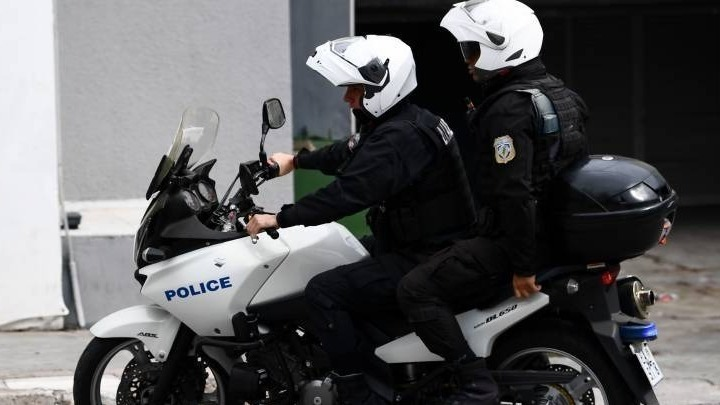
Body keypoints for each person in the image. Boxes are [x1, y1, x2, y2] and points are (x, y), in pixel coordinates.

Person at [246, 35, 477, 405]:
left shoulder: (400, 138)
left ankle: (357, 393)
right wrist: (295, 161)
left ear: (379, 88)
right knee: (335, 257)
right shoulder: (403, 122)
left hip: (426, 256)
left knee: (323, 292)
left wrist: (280, 218)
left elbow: (347, 194)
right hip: (418, 244)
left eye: (354, 89)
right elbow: (349, 151)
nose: (347, 98)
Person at [396, 0, 590, 403]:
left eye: (473, 50)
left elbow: (514, 193)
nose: (467, 61)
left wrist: (523, 265)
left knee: (414, 288)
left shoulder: (508, 110)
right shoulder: (561, 93)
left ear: (503, 48)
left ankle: (472, 379)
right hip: (554, 233)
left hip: (517, 240)